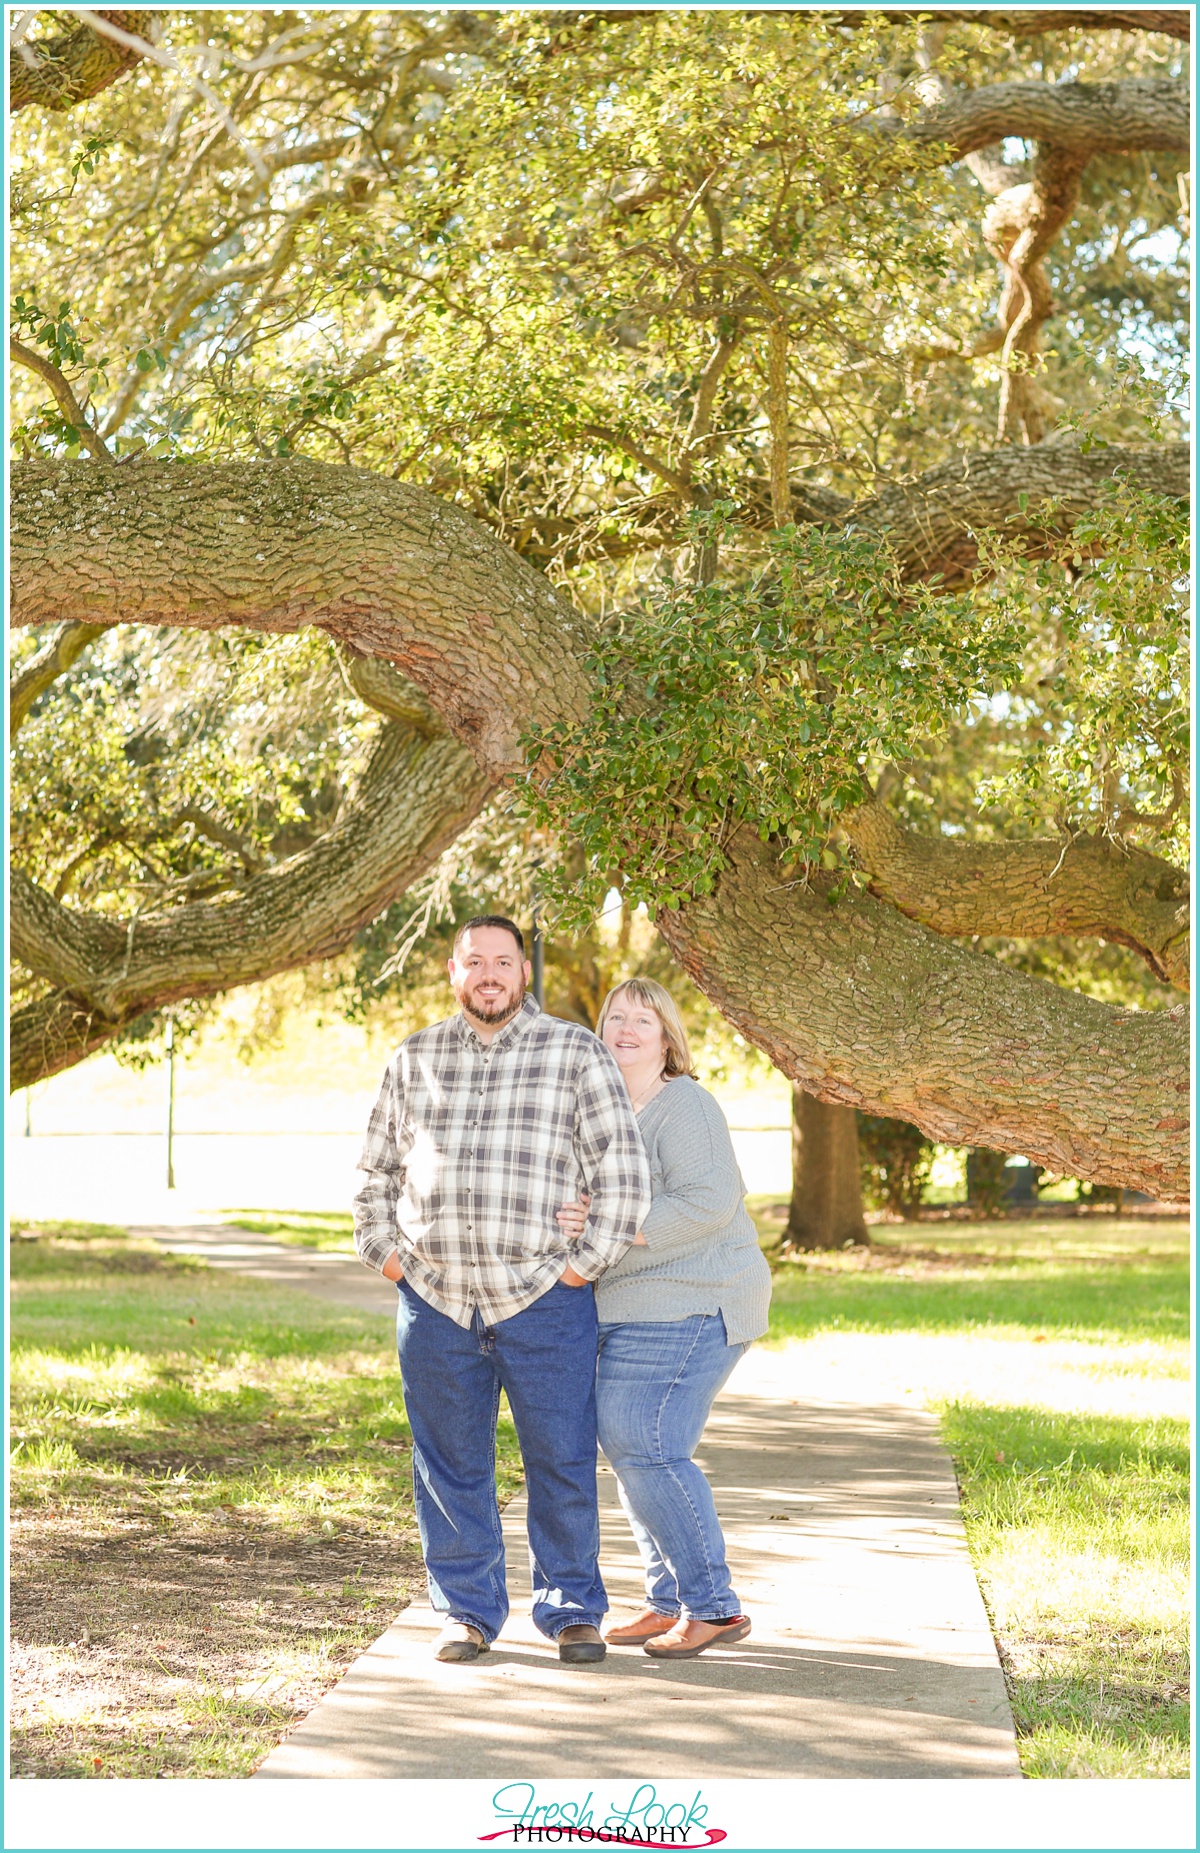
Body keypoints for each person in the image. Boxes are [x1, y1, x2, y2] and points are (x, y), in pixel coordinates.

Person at [353, 916, 650, 1666]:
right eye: (474, 961)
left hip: (544, 1298)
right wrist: (389, 1257)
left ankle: (574, 1608)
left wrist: (579, 1268)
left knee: (561, 1457)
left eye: (503, 962)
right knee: (448, 1462)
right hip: (436, 1301)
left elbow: (621, 1171)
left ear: (524, 973)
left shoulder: (575, 1052)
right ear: (454, 972)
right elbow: (374, 1173)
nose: (489, 973)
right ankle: (466, 1612)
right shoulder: (413, 1058)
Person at [557, 978, 771, 1661]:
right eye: (614, 1016)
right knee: (630, 1449)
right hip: (628, 1302)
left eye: (642, 1020)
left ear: (667, 1038)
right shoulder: (598, 1112)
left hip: (697, 1295)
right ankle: (665, 1599)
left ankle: (713, 1605)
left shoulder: (686, 1105)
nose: (625, 1028)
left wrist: (611, 1222)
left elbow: (709, 1200)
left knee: (643, 1440)